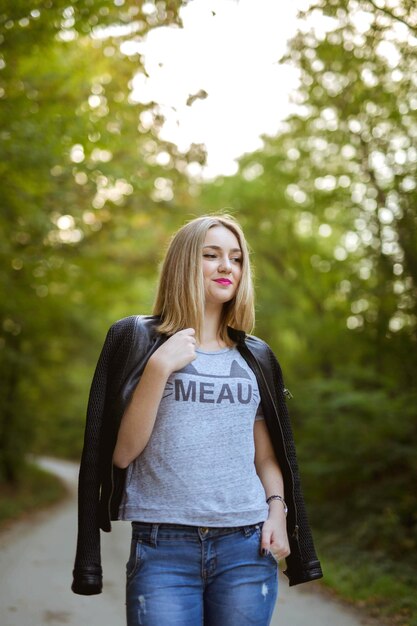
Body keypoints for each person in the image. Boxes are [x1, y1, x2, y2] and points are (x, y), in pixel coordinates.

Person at [72, 214, 323, 626]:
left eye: (236, 258)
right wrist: (158, 370)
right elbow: (121, 455)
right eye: (211, 255)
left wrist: (277, 511)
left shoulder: (255, 356)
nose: (227, 266)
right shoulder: (138, 340)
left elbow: (265, 456)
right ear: (184, 263)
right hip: (162, 545)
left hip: (247, 546)